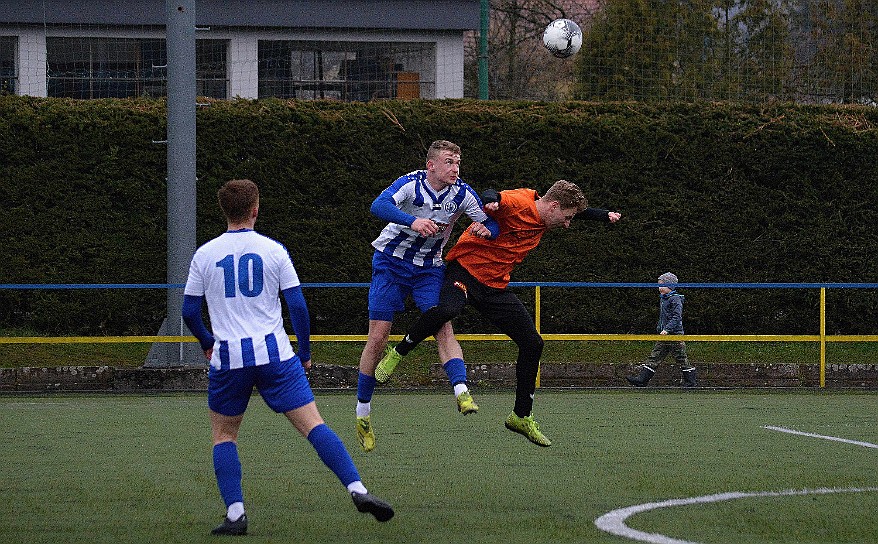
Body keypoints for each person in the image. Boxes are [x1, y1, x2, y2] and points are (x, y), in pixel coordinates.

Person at [182, 179, 394, 536]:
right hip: (275, 355)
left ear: (224, 211)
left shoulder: (205, 254)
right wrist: (305, 353)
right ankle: (357, 489)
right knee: (314, 426)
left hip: (230, 357)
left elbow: (189, 309)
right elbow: (296, 304)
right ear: (255, 209)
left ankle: (236, 515)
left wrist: (206, 341)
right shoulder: (273, 250)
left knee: (224, 437)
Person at [376, 180, 621, 447]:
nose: (567, 224)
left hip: (494, 286)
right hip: (465, 271)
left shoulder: (548, 207)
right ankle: (398, 351)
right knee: (448, 310)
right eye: (567, 217)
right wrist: (491, 200)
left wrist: (602, 214)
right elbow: (494, 197)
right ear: (553, 206)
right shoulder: (519, 203)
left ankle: (520, 416)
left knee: (533, 343)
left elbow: (576, 209)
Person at [356, 140, 498, 453]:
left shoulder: (462, 193)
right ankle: (363, 412)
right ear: (431, 165)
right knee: (378, 338)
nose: (455, 168)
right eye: (449, 162)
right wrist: (412, 220)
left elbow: (489, 222)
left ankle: (461, 391)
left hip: (429, 270)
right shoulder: (410, 184)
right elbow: (377, 205)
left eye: (458, 163)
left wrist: (488, 230)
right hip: (390, 264)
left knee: (443, 324)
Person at [626, 272, 698, 388]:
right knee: (655, 355)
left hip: (674, 334)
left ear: (671, 286)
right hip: (664, 334)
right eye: (659, 285)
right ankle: (642, 379)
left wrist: (667, 329)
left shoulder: (675, 299)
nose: (659, 288)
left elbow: (676, 317)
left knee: (681, 357)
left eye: (662, 285)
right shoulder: (664, 299)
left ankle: (691, 381)